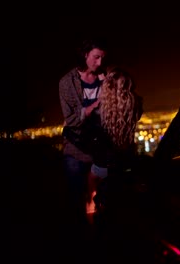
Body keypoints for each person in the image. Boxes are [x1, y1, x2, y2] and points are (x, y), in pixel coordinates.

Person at [59, 36, 110, 230]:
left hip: (100, 150)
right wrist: (95, 105)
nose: (100, 63)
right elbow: (71, 119)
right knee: (77, 199)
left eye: (102, 58)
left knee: (103, 200)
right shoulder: (67, 82)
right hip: (76, 149)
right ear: (85, 55)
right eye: (96, 57)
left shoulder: (104, 77)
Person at [86, 66, 143, 216]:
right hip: (127, 160)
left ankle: (90, 211)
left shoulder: (98, 114)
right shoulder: (135, 106)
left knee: (91, 182)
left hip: (103, 165)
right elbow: (132, 97)